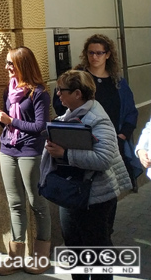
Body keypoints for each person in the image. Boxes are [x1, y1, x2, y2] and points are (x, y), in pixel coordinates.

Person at [40, 70, 131, 280]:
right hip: (73, 193)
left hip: (96, 198)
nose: (58, 95)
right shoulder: (70, 114)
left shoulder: (98, 119)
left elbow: (103, 159)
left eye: (61, 91)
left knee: (97, 250)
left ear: (78, 93)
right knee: (74, 246)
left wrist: (65, 154)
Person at [0, 47, 51, 275]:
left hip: (30, 152)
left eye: (11, 64)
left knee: (37, 203)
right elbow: (7, 125)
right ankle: (15, 258)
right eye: (6, 63)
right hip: (8, 149)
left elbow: (40, 127)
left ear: (23, 65)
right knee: (15, 204)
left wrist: (11, 120)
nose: (6, 68)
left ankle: (41, 257)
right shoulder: (9, 90)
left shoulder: (38, 93)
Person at [61, 35, 142, 192]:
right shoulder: (78, 77)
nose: (94, 57)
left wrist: (121, 137)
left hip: (112, 142)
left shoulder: (117, 82)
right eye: (91, 53)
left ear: (108, 54)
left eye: (99, 53)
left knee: (110, 188)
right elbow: (62, 102)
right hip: (83, 142)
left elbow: (131, 112)